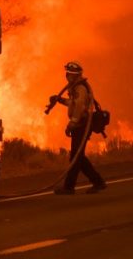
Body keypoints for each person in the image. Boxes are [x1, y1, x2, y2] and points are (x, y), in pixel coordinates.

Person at [51, 60, 106, 195]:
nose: (67, 76)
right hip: (80, 125)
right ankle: (96, 182)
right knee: (77, 157)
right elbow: (73, 104)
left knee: (76, 157)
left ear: (75, 75)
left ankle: (72, 187)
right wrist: (60, 100)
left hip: (82, 125)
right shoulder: (75, 88)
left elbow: (80, 107)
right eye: (67, 74)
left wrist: (72, 123)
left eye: (69, 74)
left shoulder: (80, 88)